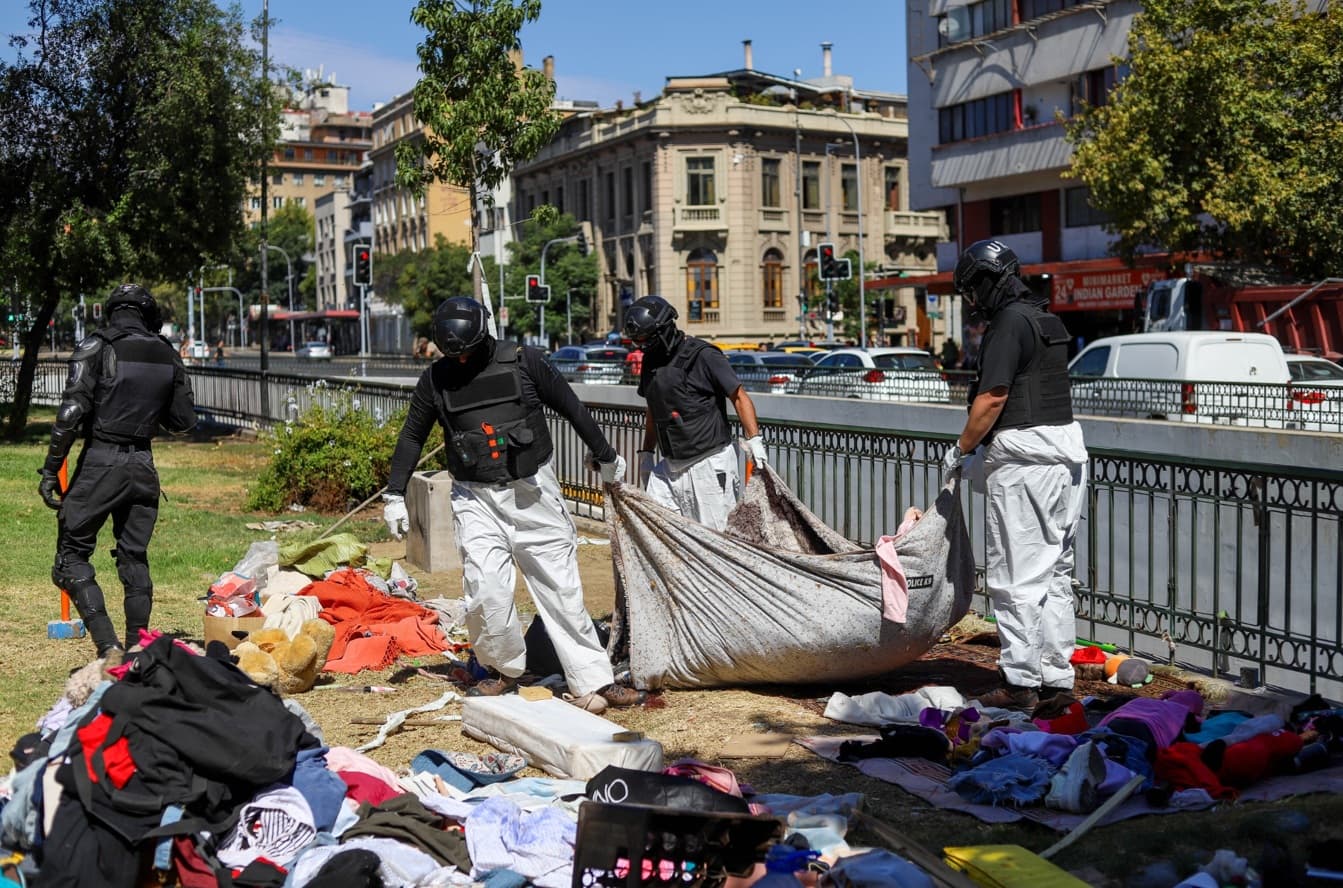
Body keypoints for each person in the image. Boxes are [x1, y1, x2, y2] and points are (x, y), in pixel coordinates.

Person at [380, 297, 640, 708]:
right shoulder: (437, 378)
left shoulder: (524, 361)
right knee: (485, 591)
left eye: (467, 352)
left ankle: (593, 680)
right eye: (455, 355)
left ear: (483, 335)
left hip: (532, 492)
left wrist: (606, 456)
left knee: (560, 590)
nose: (462, 361)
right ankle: (503, 670)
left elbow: (572, 407)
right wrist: (394, 493)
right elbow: (413, 435)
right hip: (475, 499)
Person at [945, 240, 1089, 712]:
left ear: (987, 281)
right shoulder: (1045, 319)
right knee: (1055, 576)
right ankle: (1056, 680)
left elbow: (992, 399)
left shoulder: (1008, 323)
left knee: (1015, 576)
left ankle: (1019, 682)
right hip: (1067, 457)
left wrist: (961, 449)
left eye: (972, 289)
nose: (972, 300)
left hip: (1026, 463)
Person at [39, 284, 197, 662]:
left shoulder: (97, 346)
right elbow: (184, 421)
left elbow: (70, 414)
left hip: (101, 463)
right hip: (143, 466)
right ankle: (138, 650)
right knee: (134, 557)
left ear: (111, 311)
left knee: (70, 559)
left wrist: (51, 468)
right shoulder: (167, 353)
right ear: (147, 313)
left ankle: (108, 647)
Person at [623, 295, 767, 531]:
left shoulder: (704, 355)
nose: (643, 345)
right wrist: (646, 454)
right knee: (658, 530)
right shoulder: (650, 362)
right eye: (638, 341)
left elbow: (739, 396)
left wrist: (755, 441)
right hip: (670, 467)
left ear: (664, 329)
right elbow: (653, 408)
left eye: (647, 339)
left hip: (709, 463)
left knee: (716, 540)